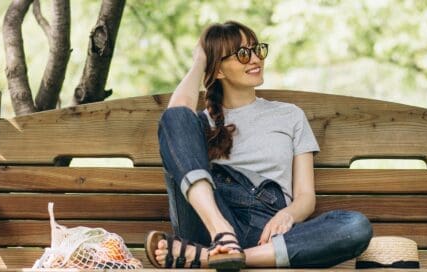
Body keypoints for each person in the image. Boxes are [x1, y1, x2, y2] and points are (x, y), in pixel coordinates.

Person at [146, 20, 372, 269]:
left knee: (355, 226)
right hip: (209, 222)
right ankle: (222, 235)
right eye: (243, 54)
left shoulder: (290, 115)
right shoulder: (201, 122)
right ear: (218, 71)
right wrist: (201, 60)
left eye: (257, 50)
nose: (255, 59)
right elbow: (176, 117)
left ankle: (211, 257)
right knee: (175, 115)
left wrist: (287, 214)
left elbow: (305, 196)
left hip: (267, 231)